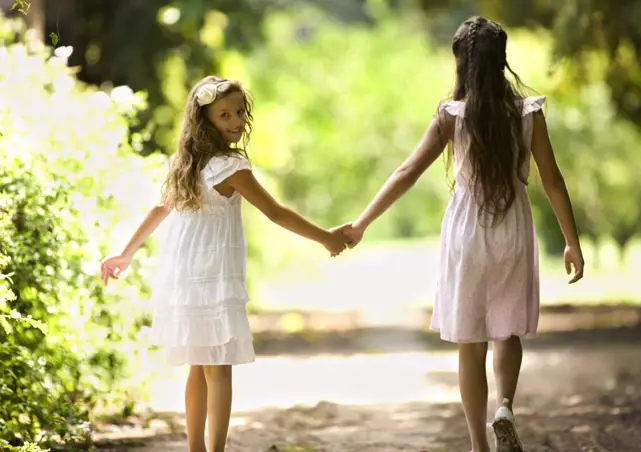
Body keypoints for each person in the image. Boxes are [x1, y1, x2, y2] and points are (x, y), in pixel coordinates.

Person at [339, 17, 584, 452]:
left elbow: (407, 172)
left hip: (466, 231)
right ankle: (504, 405)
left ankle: (477, 445)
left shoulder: (452, 116)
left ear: (461, 64)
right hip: (512, 226)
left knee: (470, 343)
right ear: (501, 61)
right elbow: (554, 181)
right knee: (506, 333)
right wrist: (572, 242)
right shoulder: (528, 114)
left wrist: (362, 223)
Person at [100, 76, 349, 452]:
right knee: (217, 369)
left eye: (239, 113)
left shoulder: (184, 163)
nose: (235, 122)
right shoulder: (230, 166)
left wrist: (127, 252)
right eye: (224, 115)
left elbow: (158, 209)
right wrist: (326, 237)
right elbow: (276, 212)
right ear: (205, 121)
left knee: (199, 367)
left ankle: (197, 449)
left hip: (182, 274)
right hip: (211, 275)